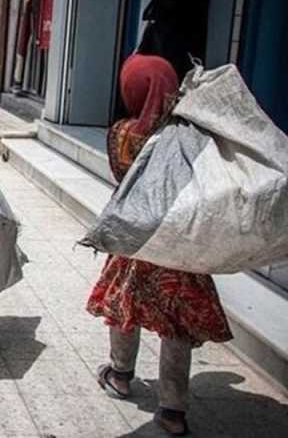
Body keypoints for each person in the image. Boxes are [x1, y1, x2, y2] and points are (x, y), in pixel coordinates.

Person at [87, 54, 233, 436]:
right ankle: (173, 410)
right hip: (179, 246)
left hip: (136, 242)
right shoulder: (189, 137)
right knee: (177, 324)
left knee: (123, 308)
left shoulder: (121, 133)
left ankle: (120, 374)